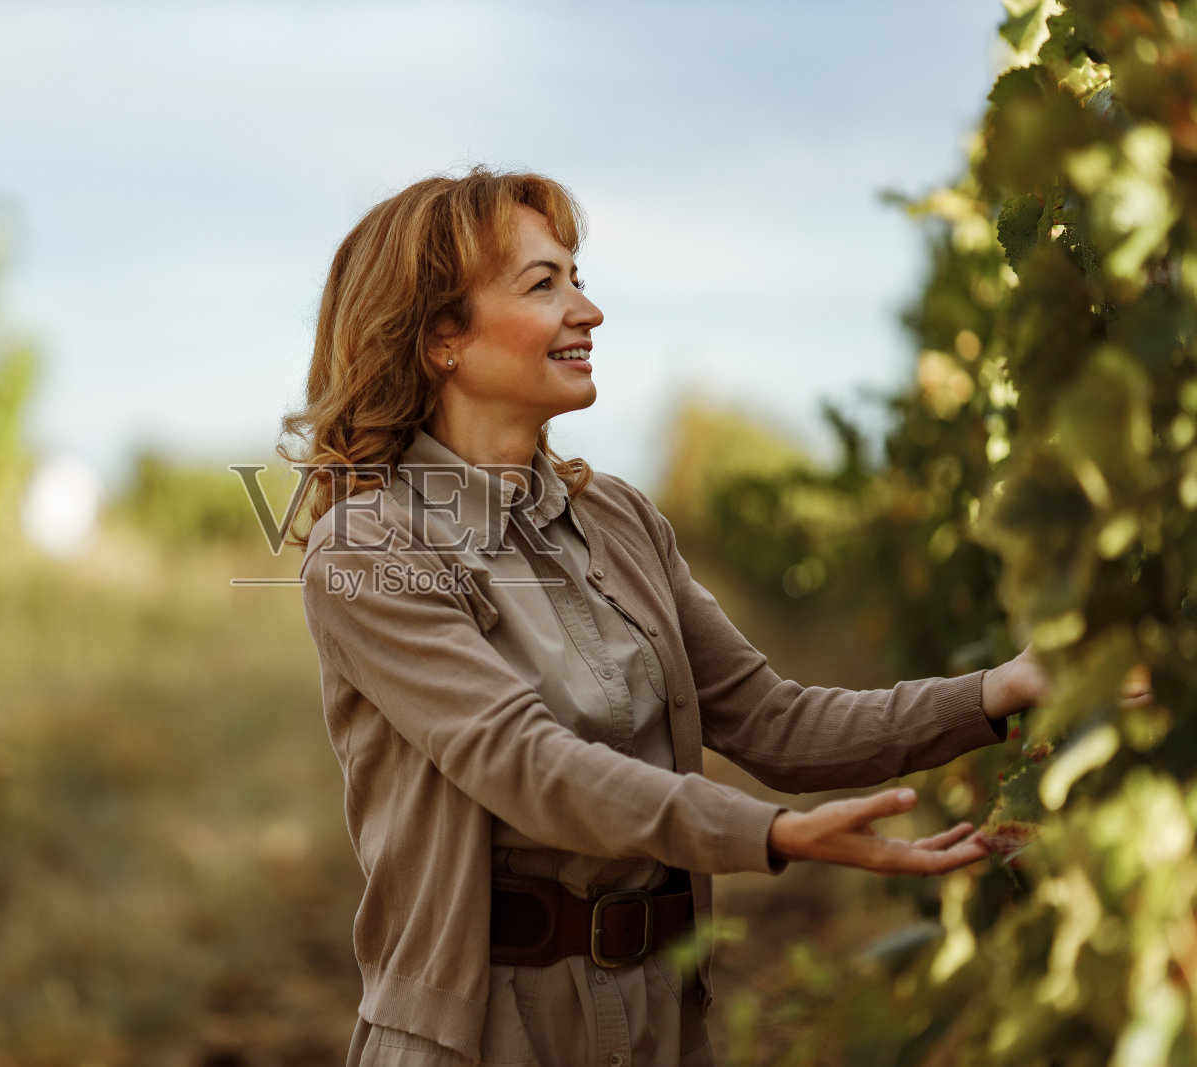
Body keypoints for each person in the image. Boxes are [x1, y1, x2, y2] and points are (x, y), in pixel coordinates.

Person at [278, 167, 1047, 1066]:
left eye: (577, 274)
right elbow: (522, 762)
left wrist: (998, 691)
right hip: (484, 1032)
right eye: (544, 283)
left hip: (659, 1015)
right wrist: (766, 832)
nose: (588, 309)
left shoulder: (621, 520)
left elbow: (775, 722)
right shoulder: (370, 549)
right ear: (441, 337)